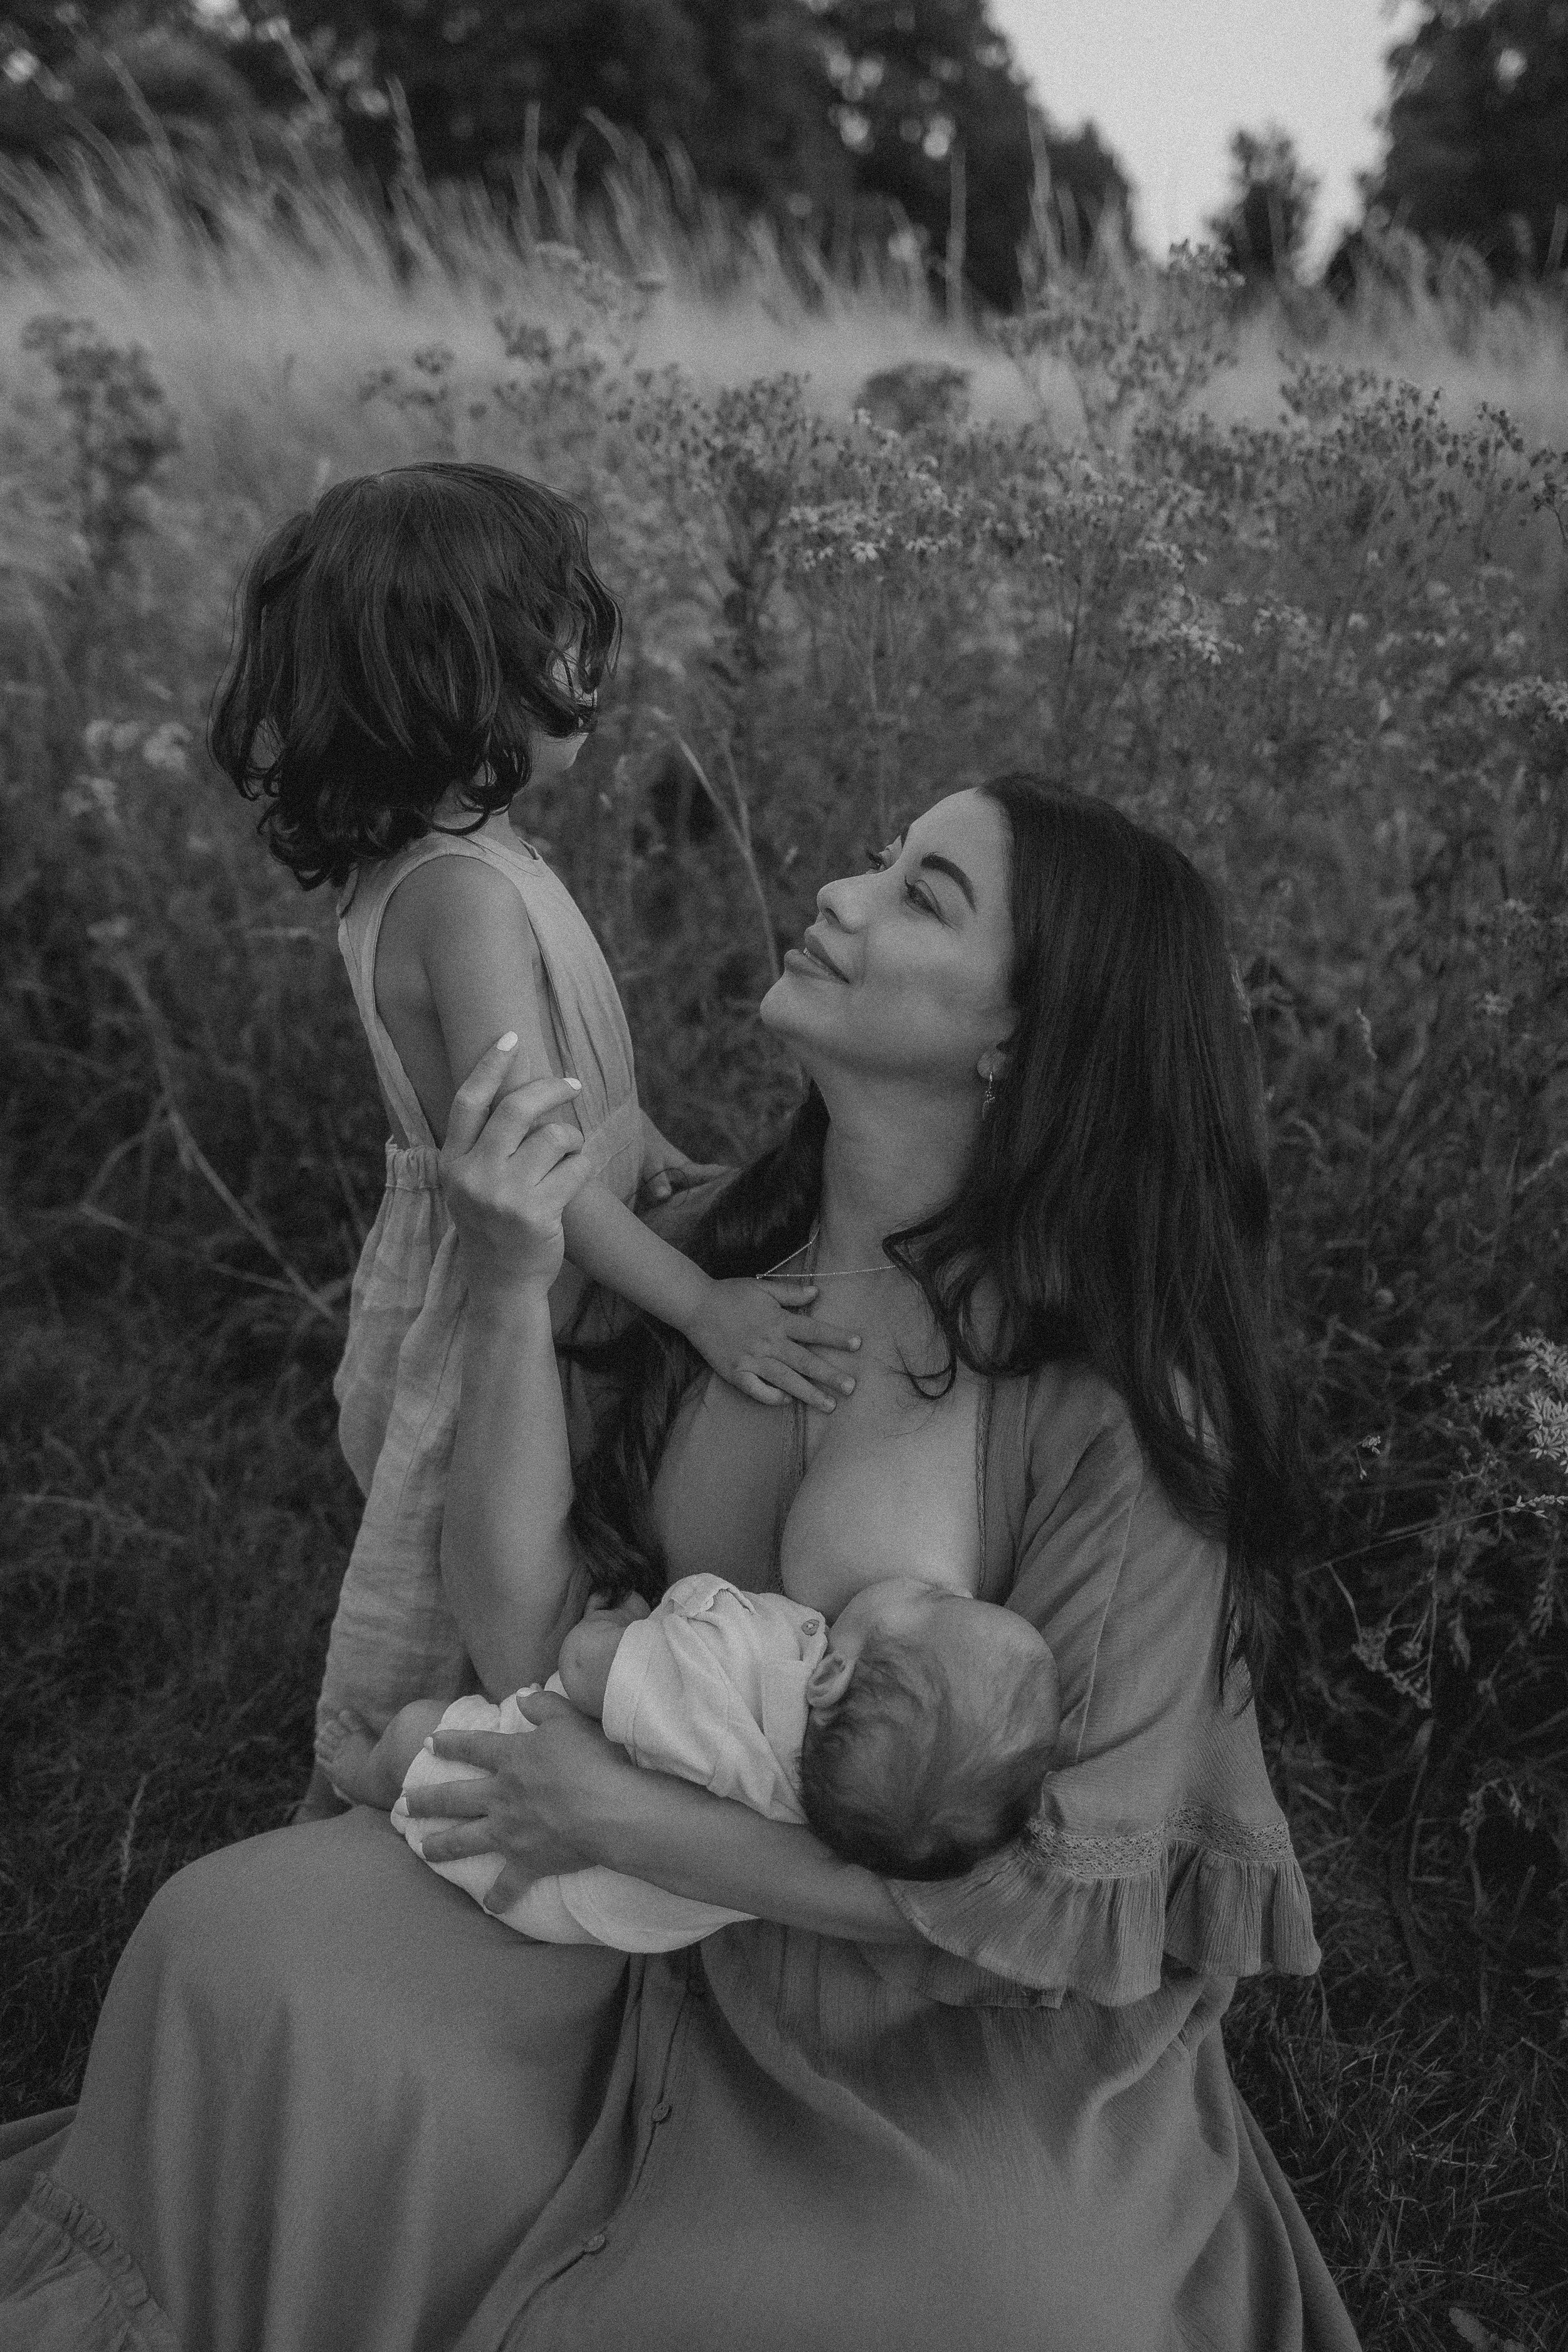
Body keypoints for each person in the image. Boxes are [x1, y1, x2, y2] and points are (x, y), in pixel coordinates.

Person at [0, 776, 1364, 2351]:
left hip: (936, 2015)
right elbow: (526, 1637)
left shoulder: (1112, 1401)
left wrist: (622, 1809)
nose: (842, 891)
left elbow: (1053, 1908)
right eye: (875, 851)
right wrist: (515, 1274)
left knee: (1000, 2306)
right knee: (230, 1955)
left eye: (923, 893)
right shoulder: (712, 1259)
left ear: (1023, 1038)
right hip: (620, 1917)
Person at [208, 462, 859, 1805]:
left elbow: (555, 1095)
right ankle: (407, 1790)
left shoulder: (479, 855)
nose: (585, 661)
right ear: (447, 678)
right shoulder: (459, 899)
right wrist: (700, 1306)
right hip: (515, 1272)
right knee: (462, 1580)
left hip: (571, 1228)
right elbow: (523, 1165)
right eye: (552, 639)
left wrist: (642, 1136)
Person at [319, 1567, 1062, 1947]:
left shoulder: (746, 1669)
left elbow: (584, 1665)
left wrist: (625, 1628)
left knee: (420, 1733)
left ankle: (363, 1779)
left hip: (521, 1857)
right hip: (608, 1917)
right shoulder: (835, 1805)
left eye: (936, 1598)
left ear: (832, 1675)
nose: (950, 1583)